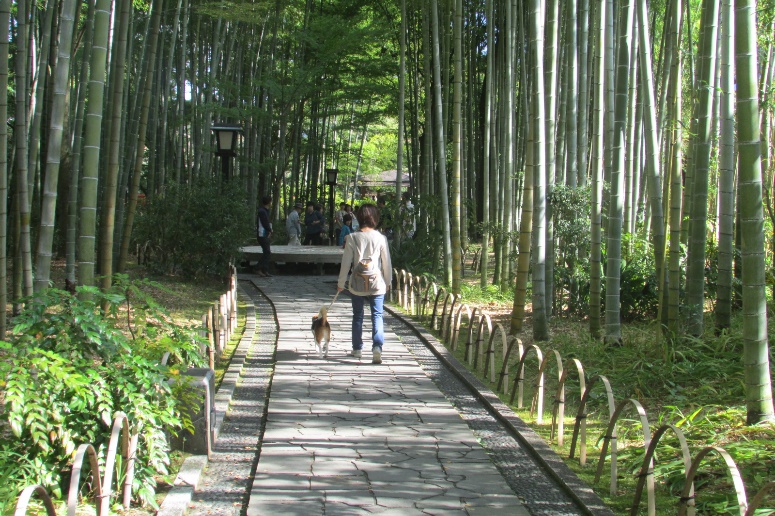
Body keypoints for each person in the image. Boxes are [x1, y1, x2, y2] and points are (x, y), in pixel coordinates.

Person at [337, 204, 392, 364]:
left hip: (357, 282)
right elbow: (386, 263)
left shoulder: (353, 237)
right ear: (375, 218)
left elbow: (346, 263)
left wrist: (341, 282)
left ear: (359, 218)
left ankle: (357, 348)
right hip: (377, 282)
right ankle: (377, 347)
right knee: (377, 315)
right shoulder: (381, 238)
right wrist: (388, 282)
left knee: (358, 315)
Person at [256, 195, 273, 277]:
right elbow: (264, 222)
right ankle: (258, 268)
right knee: (267, 252)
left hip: (265, 233)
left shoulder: (265, 210)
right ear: (269, 202)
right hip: (261, 233)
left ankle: (265, 270)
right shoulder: (262, 211)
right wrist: (270, 230)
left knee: (267, 252)